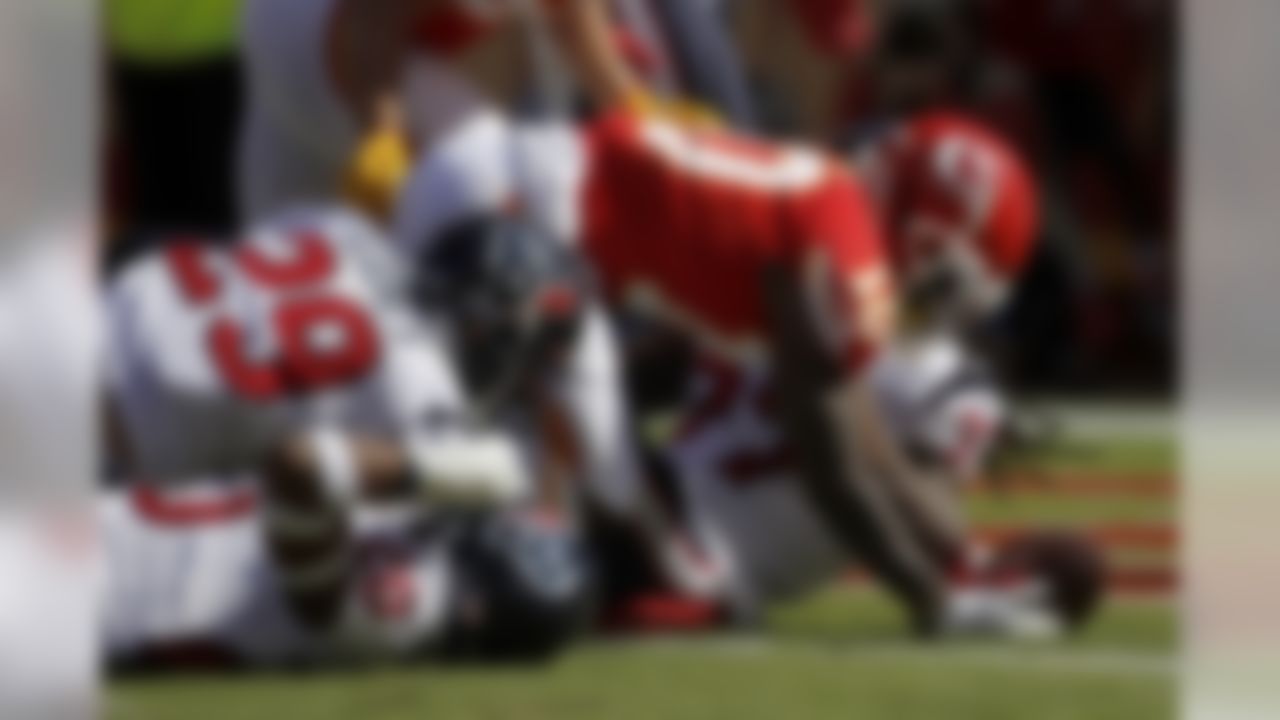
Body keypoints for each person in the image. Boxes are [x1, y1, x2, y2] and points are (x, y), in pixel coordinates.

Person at [395, 103, 969, 635]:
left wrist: (967, 567)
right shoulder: (841, 253)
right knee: (645, 538)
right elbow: (836, 461)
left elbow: (861, 450)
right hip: (523, 218)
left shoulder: (823, 190)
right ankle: (401, 579)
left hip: (489, 171)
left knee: (438, 413)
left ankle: (388, 552)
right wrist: (932, 598)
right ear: (924, 240)